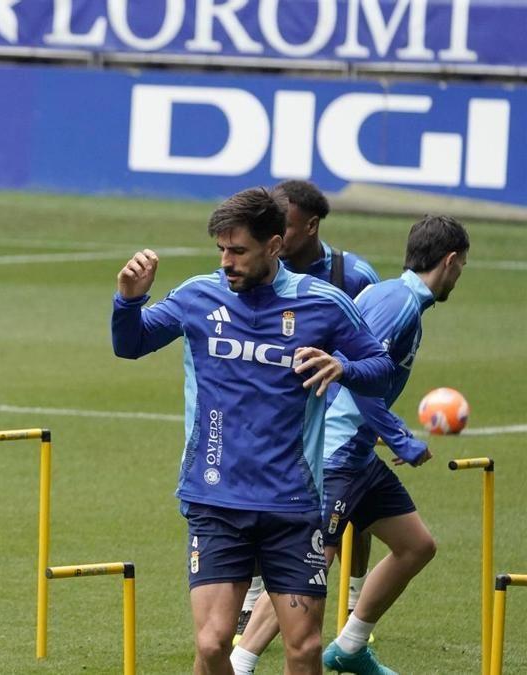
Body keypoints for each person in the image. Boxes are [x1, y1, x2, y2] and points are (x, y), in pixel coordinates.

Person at [111, 187, 394, 674]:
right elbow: (130, 344)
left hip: (292, 503)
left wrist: (342, 365)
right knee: (213, 643)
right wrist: (127, 301)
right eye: (221, 249)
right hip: (215, 496)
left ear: (275, 246)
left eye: (238, 250)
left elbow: (381, 365)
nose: (226, 261)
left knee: (303, 649)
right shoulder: (199, 296)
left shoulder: (323, 303)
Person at [232, 216, 468, 675]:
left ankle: (351, 646)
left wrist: (381, 432)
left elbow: (365, 376)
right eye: (461, 267)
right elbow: (354, 374)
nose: (459, 275)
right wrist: (401, 437)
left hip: (358, 453)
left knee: (416, 545)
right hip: (335, 453)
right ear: (451, 260)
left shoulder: (397, 298)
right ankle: (241, 661)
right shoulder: (398, 302)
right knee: (312, 558)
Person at [235, 179, 381, 638]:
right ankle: (256, 599)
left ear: (311, 226)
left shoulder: (354, 277)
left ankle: (354, 598)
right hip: (279, 416)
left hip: (341, 418)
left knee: (358, 507)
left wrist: (375, 416)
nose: (276, 233)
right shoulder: (258, 270)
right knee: (262, 499)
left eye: (286, 226)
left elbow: (376, 353)